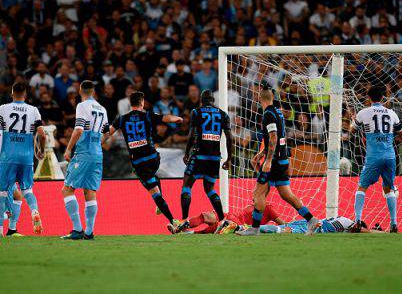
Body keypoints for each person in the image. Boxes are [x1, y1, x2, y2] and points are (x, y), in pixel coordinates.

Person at [236, 85, 319, 236]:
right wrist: (261, 153)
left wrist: (267, 160)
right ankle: (312, 220)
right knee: (286, 194)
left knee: (258, 194)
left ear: (259, 98)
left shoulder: (268, 114)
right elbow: (277, 138)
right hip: (282, 159)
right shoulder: (278, 113)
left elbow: (273, 136)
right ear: (272, 98)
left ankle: (254, 229)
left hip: (273, 162)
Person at [106, 91, 183, 233]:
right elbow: (166, 118)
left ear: (131, 104)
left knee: (155, 193)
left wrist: (98, 143)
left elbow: (108, 132)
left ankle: (174, 221)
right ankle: (160, 206)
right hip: (154, 158)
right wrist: (178, 118)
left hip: (139, 163)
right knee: (155, 178)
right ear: (142, 103)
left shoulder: (122, 119)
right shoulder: (147, 115)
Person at [350, 85, 402, 233]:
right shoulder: (391, 113)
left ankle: (358, 221)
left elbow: (352, 130)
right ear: (383, 98)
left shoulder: (364, 113)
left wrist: (354, 121)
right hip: (390, 156)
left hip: (374, 156)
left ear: (368, 97)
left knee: (362, 187)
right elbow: (401, 133)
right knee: (388, 188)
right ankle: (394, 224)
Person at [61, 80, 109, 240]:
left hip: (83, 153)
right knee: (90, 191)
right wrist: (97, 144)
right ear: (93, 92)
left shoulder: (82, 106)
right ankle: (89, 232)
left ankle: (77, 229)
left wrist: (68, 149)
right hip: (97, 153)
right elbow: (107, 133)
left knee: (67, 189)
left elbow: (79, 129)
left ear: (80, 91)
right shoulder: (102, 108)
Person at [178, 90, 232, 230]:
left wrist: (187, 152)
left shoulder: (196, 112)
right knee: (209, 189)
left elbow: (191, 134)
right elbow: (229, 138)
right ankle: (222, 220)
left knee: (187, 185)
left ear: (201, 100)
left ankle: (184, 221)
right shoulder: (223, 114)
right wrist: (229, 158)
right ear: (213, 100)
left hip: (199, 155)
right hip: (214, 158)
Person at [0, 82, 46, 237]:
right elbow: (42, 134)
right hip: (26, 158)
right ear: (25, 94)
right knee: (27, 190)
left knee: (3, 193)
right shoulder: (33, 110)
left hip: (8, 156)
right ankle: (34, 211)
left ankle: (1, 230)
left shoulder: (3, 109)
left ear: (12, 93)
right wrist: (41, 150)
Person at [177, 203, 285, 234]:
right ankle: (180, 226)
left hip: (239, 225)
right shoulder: (251, 205)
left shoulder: (269, 209)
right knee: (206, 216)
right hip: (230, 215)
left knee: (223, 224)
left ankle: (190, 233)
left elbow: (282, 224)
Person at [258, 217, 382, 234]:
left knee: (283, 229)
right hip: (314, 227)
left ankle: (246, 227)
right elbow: (367, 232)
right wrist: (383, 233)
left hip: (309, 222)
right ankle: (247, 228)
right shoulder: (347, 223)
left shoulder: (342, 227)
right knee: (281, 231)